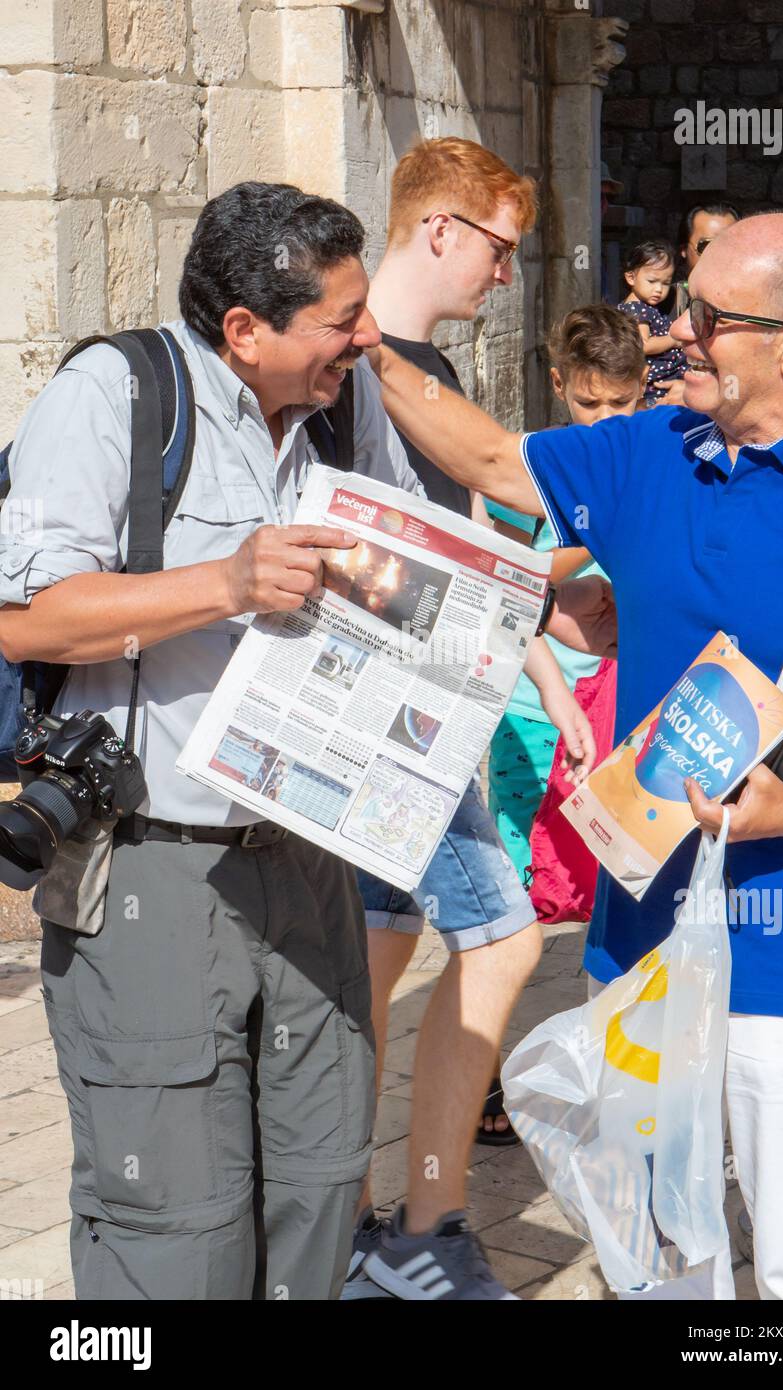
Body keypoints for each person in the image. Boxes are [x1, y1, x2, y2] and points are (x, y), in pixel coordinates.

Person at [368, 211, 783, 1300]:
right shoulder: (653, 444)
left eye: (705, 318)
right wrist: (362, 335)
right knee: (651, 1264)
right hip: (639, 950)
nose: (669, 336)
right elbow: (493, 458)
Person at [0, 181, 430, 1301]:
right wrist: (226, 582)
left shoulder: (347, 402)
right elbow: (26, 617)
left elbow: (397, 570)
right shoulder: (116, 396)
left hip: (309, 857)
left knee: (318, 1181)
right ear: (245, 329)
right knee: (174, 1224)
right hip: (151, 860)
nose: (367, 336)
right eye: (341, 319)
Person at [342, 137, 596, 1301]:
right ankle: (418, 1220)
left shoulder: (417, 368)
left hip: (419, 714)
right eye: (498, 247)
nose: (506, 274)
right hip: (377, 717)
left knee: (375, 958)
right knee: (494, 938)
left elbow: (474, 554)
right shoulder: (355, 365)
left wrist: (543, 677)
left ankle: (362, 1221)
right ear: (439, 229)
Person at [486, 304, 645, 883]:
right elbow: (496, 574)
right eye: (589, 403)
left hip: (624, 703)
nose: (604, 420)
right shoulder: (530, 468)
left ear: (642, 385)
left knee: (615, 881)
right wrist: (594, 530)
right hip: (533, 712)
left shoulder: (653, 459)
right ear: (559, 384)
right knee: (527, 882)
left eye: (620, 404)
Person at [617, 239, 686, 406]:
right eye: (652, 281)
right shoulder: (636, 310)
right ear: (631, 277)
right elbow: (643, 345)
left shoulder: (645, 307)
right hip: (657, 387)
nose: (659, 289)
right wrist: (673, 340)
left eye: (665, 283)